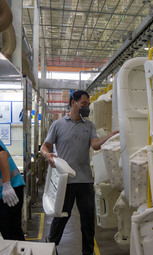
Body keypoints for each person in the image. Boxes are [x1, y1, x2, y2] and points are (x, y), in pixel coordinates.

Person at [41, 90, 119, 255]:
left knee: (88, 220)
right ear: (73, 103)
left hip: (85, 180)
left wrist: (110, 136)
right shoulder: (58, 124)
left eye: (88, 105)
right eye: (84, 103)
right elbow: (45, 146)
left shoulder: (89, 125)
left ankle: (88, 252)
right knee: (61, 217)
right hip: (65, 180)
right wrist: (47, 155)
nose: (86, 107)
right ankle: (50, 248)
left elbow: (95, 145)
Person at [0, 139, 26, 240]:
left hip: (10, 189)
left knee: (11, 231)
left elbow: (2, 154)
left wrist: (6, 184)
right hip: (5, 190)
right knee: (6, 230)